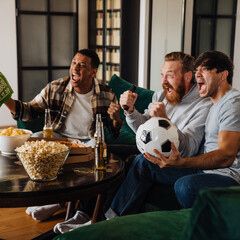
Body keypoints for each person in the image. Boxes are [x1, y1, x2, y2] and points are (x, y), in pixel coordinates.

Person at [53, 52, 212, 233]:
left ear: (188, 76)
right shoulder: (163, 95)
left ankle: (106, 222)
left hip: (179, 163)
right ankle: (82, 213)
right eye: (162, 74)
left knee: (135, 162)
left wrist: (165, 122)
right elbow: (143, 131)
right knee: (105, 151)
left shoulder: (203, 106)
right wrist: (130, 111)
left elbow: (189, 149)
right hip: (151, 151)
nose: (164, 80)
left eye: (170, 75)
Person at [104, 50, 240, 219]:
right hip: (204, 171)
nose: (197, 75)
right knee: (142, 162)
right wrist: (130, 111)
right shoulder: (215, 104)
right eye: (196, 70)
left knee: (185, 186)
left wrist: (181, 163)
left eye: (204, 70)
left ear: (223, 75)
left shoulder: (235, 103)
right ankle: (110, 220)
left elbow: (226, 157)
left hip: (232, 177)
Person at [4, 49, 123, 221]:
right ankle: (47, 197)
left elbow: (114, 134)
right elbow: (29, 111)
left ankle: (57, 202)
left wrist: (115, 119)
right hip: (58, 138)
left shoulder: (107, 94)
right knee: (35, 139)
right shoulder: (55, 88)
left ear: (93, 72)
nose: (75, 68)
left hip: (88, 142)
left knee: (96, 149)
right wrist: (5, 100)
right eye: (74, 62)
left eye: (82, 65)